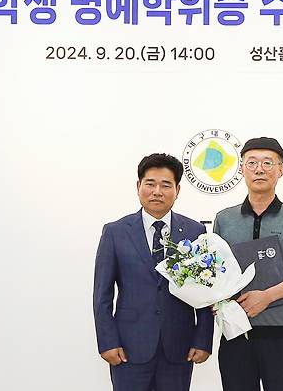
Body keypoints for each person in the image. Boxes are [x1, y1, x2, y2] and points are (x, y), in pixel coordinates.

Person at [93, 153, 214, 391]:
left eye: (166, 185)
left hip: (178, 348)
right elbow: (102, 295)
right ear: (139, 186)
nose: (157, 191)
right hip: (128, 348)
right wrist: (107, 341)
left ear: (177, 190)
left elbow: (205, 290)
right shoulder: (115, 232)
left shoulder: (194, 231)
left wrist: (203, 339)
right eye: (150, 183)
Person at [213, 137, 283, 391]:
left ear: (280, 170)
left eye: (267, 163)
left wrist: (267, 296)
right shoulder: (224, 219)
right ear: (241, 169)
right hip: (236, 334)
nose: (259, 169)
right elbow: (217, 273)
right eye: (251, 163)